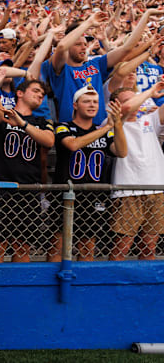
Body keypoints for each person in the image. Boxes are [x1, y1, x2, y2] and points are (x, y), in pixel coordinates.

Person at [48, 86, 127, 262]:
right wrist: (106, 127)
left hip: (92, 196)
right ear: (75, 105)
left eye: (95, 102)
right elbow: (73, 145)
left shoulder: (105, 132)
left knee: (87, 248)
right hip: (64, 195)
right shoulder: (63, 126)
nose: (92, 105)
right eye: (86, 101)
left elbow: (121, 152)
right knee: (57, 247)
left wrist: (118, 124)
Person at [0, 79, 55, 263]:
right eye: (36, 91)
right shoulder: (2, 115)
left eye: (42, 94)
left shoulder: (41, 121)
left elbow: (49, 141)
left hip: (27, 190)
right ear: (20, 93)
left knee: (23, 247)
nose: (40, 95)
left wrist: (22, 124)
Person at [108, 82, 164, 261]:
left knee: (149, 247)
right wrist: (150, 91)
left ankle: (145, 287)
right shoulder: (111, 122)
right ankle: (113, 284)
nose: (135, 103)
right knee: (122, 247)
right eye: (128, 100)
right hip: (127, 191)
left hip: (156, 189)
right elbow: (126, 109)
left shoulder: (149, 119)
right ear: (114, 105)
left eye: (135, 98)